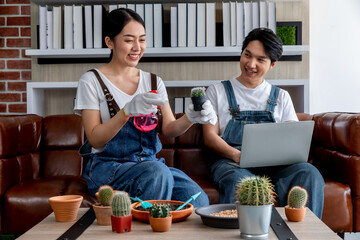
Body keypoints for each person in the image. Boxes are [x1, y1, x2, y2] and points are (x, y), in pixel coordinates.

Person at [74, 8, 217, 208]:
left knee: (198, 199)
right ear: (109, 42)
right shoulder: (91, 81)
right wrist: (126, 112)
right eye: (128, 40)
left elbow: (169, 129)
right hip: (109, 167)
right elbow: (95, 138)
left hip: (149, 165)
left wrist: (190, 117)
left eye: (142, 40)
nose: (137, 47)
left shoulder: (153, 81)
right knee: (157, 174)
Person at [202, 28, 325, 218]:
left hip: (276, 165)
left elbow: (292, 139)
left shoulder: (282, 96)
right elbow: (210, 137)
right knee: (244, 183)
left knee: (309, 172)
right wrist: (237, 155)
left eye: (260, 60)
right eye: (247, 55)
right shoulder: (216, 91)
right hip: (231, 163)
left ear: (272, 64)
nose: (250, 64)